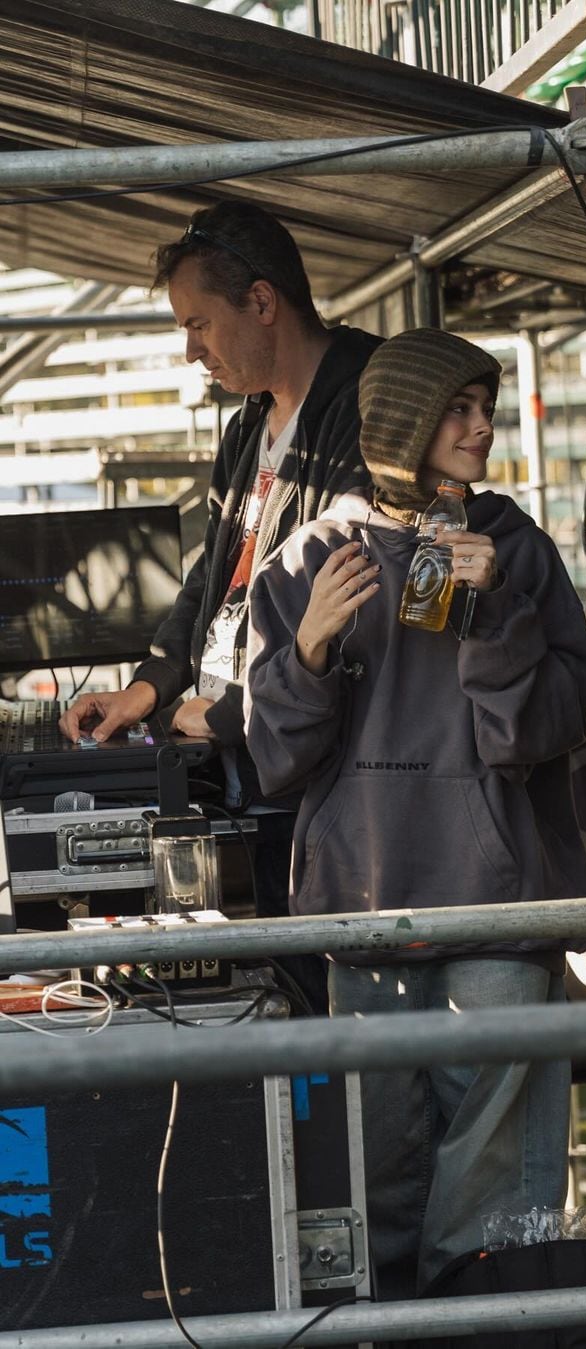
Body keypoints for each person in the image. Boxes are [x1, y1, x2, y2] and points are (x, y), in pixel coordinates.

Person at [244, 327, 586, 1301]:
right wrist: (309, 649)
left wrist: (496, 613)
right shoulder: (310, 556)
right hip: (364, 910)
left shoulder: (516, 544)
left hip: (499, 915)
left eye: (485, 406)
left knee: (497, 1207)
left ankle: (487, 1327)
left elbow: (551, 724)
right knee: (374, 1195)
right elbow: (272, 755)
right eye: (460, 406)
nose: (482, 425)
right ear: (402, 418)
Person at [58, 202, 381, 1011]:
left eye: (199, 324)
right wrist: (147, 689)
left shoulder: (364, 403)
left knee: (314, 1010)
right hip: (238, 762)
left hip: (306, 774)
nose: (190, 349)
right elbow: (210, 583)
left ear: (263, 302)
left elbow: (343, 603)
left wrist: (232, 713)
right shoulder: (248, 427)